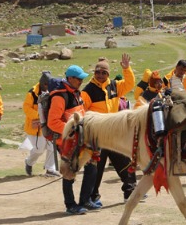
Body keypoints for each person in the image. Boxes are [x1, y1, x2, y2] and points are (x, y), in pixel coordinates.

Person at [82, 55, 137, 206]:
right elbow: (82, 111)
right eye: (97, 72)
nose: (100, 75)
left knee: (124, 162)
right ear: (94, 72)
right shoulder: (87, 91)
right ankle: (93, 196)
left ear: (108, 74)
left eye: (104, 73)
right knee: (97, 168)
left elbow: (130, 84)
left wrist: (126, 68)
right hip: (97, 136)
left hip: (114, 133)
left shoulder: (115, 86)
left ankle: (130, 192)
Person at [47, 65, 97, 215]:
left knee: (92, 164)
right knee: (69, 171)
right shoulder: (60, 97)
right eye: (79, 78)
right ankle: (70, 205)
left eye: (82, 78)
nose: (81, 81)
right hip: (66, 141)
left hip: (80, 138)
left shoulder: (75, 93)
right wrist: (73, 130)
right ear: (70, 78)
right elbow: (53, 122)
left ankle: (85, 200)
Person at [22, 71, 59, 177]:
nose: (48, 86)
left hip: (50, 124)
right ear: (42, 83)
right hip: (36, 127)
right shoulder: (32, 93)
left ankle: (50, 169)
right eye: (46, 84)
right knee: (39, 149)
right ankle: (29, 162)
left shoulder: (53, 91)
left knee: (52, 146)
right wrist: (39, 115)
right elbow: (26, 108)